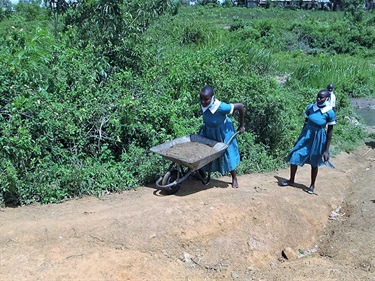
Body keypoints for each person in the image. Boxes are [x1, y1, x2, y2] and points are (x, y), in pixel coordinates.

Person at [281, 89, 336, 194]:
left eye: (322, 97)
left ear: (327, 99)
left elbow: (329, 132)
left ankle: (312, 185)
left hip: (319, 138)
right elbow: (305, 123)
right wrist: (300, 138)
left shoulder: (329, 112)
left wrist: (326, 150)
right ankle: (291, 180)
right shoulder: (310, 108)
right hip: (307, 135)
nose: (319, 99)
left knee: (314, 161)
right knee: (295, 154)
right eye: (318, 97)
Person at [199, 85, 245, 188]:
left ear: (212, 97)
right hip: (209, 131)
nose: (203, 101)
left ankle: (234, 177)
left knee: (227, 153)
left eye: (206, 99)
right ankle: (200, 172)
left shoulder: (221, 107)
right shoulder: (203, 104)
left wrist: (241, 125)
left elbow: (240, 106)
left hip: (222, 133)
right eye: (201, 99)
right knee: (204, 152)